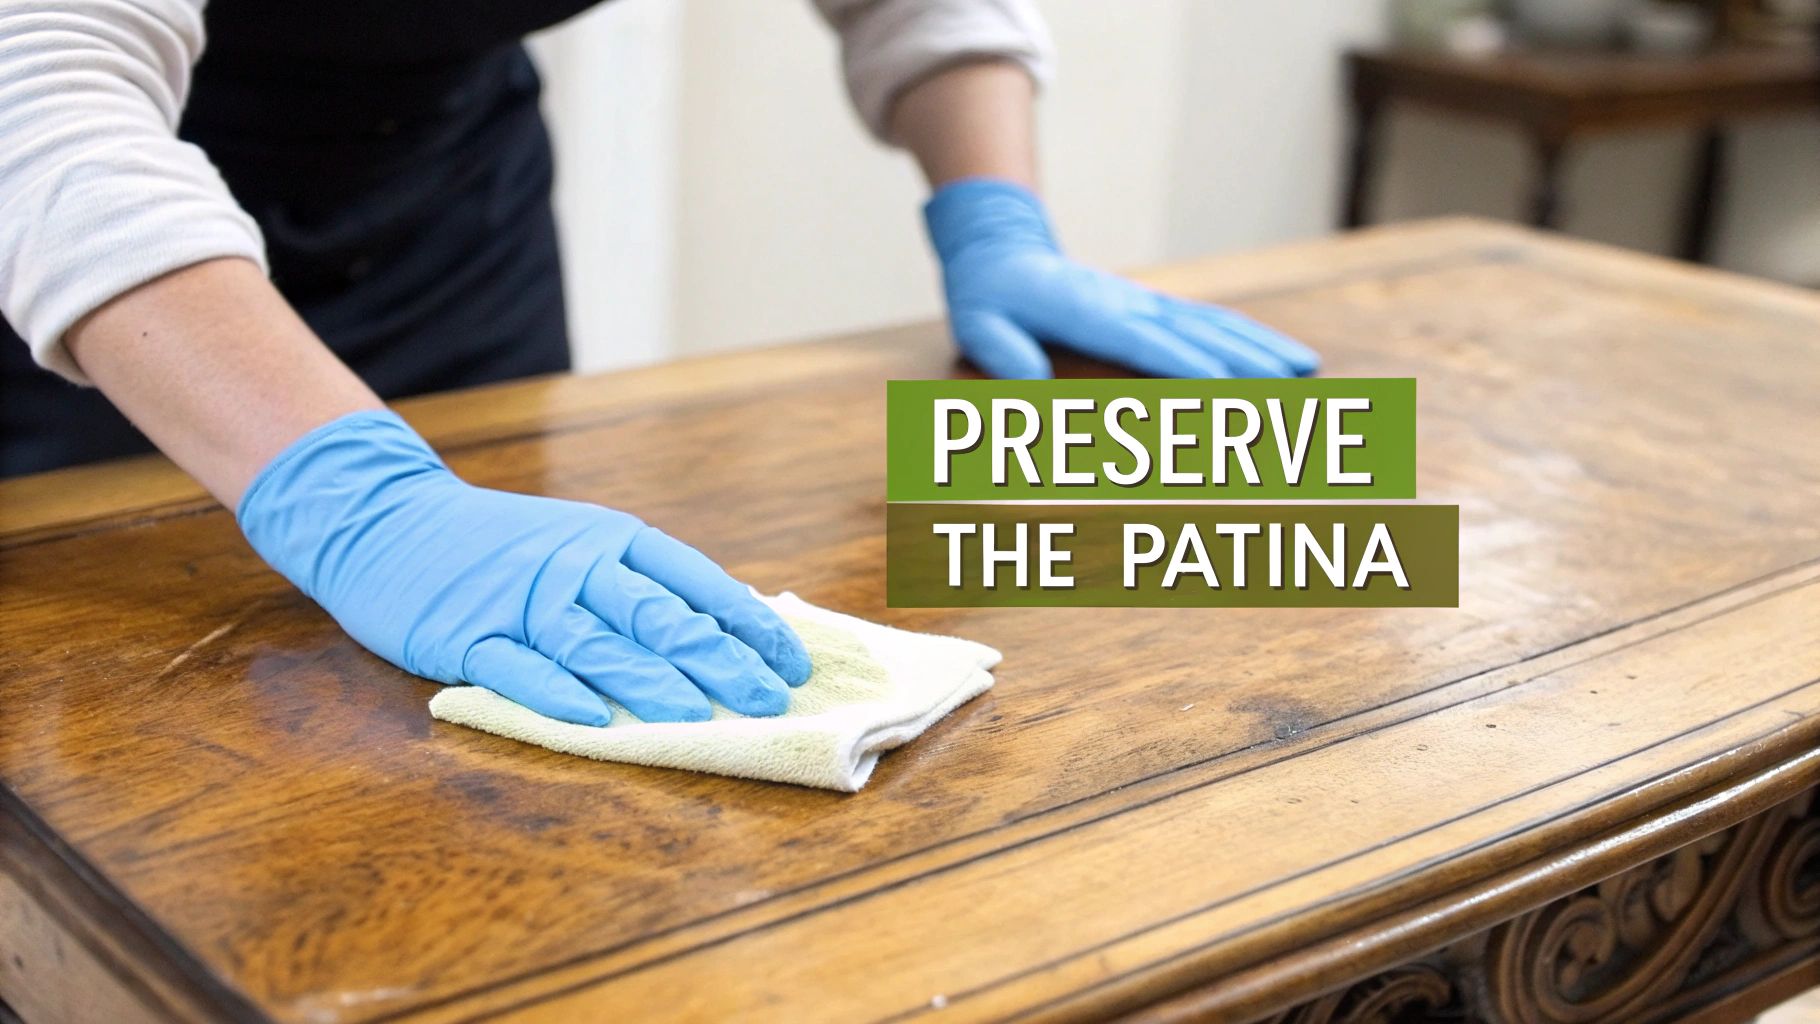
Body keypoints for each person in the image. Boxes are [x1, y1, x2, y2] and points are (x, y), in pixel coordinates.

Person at [0, 1, 1318, 726]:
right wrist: (358, 499)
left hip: (445, 200)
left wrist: (995, 216)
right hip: (74, 244)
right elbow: (39, 76)